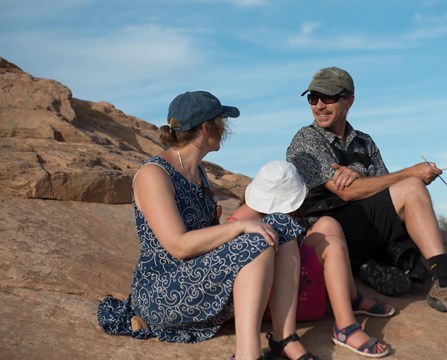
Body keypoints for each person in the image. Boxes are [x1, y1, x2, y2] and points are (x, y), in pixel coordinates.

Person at [97, 91, 316, 360]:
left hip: (198, 280)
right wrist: (239, 227)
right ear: (205, 128)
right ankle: (247, 356)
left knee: (280, 224)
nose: (225, 128)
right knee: (257, 239)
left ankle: (285, 339)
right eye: (221, 121)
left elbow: (210, 239)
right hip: (163, 293)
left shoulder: (197, 172)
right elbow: (178, 245)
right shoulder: (154, 174)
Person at [286, 67, 447, 326]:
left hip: (368, 229)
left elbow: (385, 191)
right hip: (331, 235)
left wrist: (361, 177)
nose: (319, 105)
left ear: (349, 100)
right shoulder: (306, 139)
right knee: (411, 187)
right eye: (313, 98)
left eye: (327, 97)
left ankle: (374, 268)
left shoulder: (365, 142)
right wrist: (411, 175)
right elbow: (349, 192)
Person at [229, 160, 394, 357]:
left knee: (328, 224)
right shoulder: (245, 227)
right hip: (278, 303)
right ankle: (346, 327)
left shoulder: (247, 216)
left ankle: (350, 299)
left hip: (288, 282)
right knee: (332, 246)